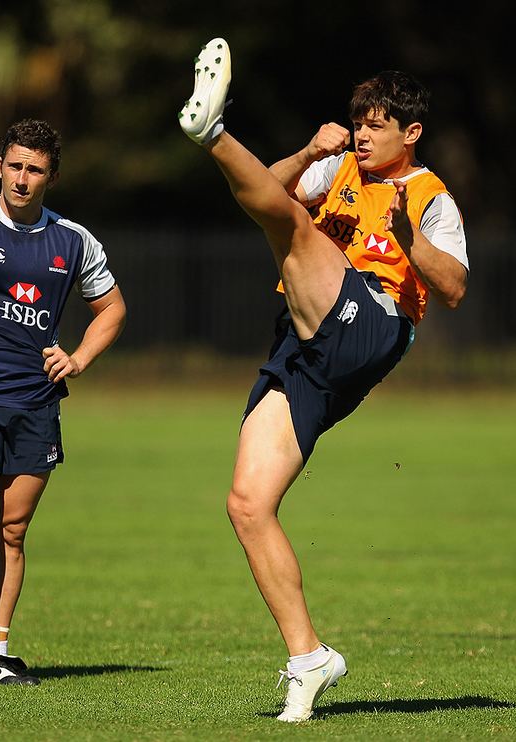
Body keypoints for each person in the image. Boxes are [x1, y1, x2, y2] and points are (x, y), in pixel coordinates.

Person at [179, 39, 468, 721]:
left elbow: (453, 287)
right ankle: (310, 659)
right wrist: (310, 154)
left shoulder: (430, 196)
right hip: (306, 346)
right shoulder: (333, 169)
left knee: (298, 236)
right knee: (247, 503)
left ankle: (209, 131)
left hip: (374, 323)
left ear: (411, 133)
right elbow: (269, 192)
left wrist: (407, 238)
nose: (363, 133)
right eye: (359, 121)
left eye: (377, 124)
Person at [0, 118, 126, 686]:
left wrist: (78, 359)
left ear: (51, 175)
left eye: (35, 169)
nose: (23, 178)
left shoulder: (74, 239)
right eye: (14, 165)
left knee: (12, 529)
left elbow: (112, 309)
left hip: (36, 403)